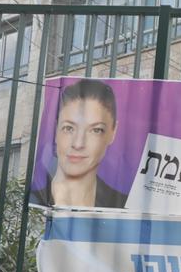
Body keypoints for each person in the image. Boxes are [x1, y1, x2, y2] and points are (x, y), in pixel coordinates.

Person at [30, 79, 127, 208]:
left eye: (96, 130)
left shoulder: (124, 206)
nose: (78, 144)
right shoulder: (31, 205)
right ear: (55, 129)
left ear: (113, 132)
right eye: (69, 128)